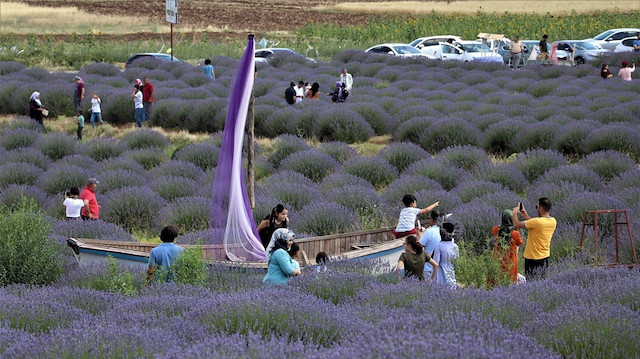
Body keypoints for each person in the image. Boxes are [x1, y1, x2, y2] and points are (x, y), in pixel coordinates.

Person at [512, 198, 557, 280]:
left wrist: (514, 213)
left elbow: (516, 224)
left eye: (537, 207)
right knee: (541, 280)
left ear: (541, 209)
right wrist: (525, 215)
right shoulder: (553, 221)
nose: (536, 209)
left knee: (531, 281)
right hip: (545, 256)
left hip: (532, 258)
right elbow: (535, 225)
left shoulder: (536, 222)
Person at [491, 210, 523, 284]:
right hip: (510, 258)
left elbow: (494, 230)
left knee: (497, 276)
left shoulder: (496, 229)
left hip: (498, 256)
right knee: (510, 277)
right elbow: (519, 242)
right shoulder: (515, 233)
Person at [433, 222, 459, 289]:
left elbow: (436, 263)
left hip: (441, 273)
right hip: (451, 273)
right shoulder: (455, 246)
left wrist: (432, 277)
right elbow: (456, 263)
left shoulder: (439, 246)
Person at [419, 210, 441, 278]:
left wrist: (419, 235)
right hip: (440, 268)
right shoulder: (443, 231)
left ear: (432, 219)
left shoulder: (429, 232)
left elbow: (418, 246)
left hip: (428, 267)